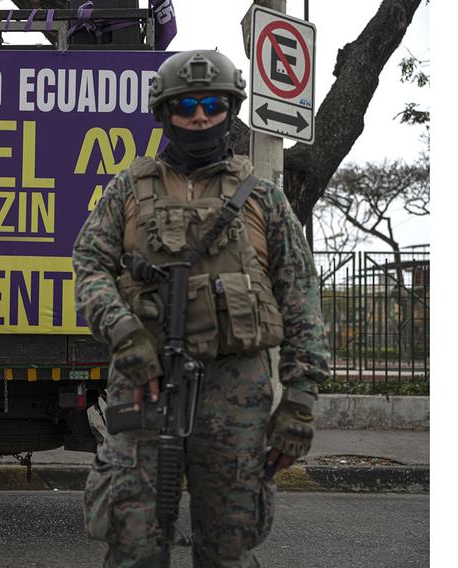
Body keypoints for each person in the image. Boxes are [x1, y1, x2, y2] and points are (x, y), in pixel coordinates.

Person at [73, 49, 330, 567]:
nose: (199, 116)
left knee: (228, 549)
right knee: (133, 543)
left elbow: (301, 296)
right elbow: (89, 265)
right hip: (144, 385)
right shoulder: (128, 188)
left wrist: (299, 401)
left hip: (236, 394)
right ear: (165, 112)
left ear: (229, 109)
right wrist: (126, 334)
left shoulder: (264, 199)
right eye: (186, 105)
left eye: (212, 104)